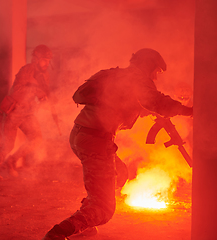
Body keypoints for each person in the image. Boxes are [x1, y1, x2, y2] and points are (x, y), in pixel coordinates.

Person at [42, 48, 193, 240]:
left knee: (120, 173)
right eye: (156, 72)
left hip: (81, 134)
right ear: (147, 66)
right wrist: (188, 111)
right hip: (96, 141)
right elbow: (155, 101)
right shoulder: (137, 79)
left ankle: (85, 221)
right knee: (103, 208)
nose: (155, 78)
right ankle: (59, 233)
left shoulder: (115, 75)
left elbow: (121, 103)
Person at [0, 44, 57, 181]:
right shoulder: (26, 70)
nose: (46, 63)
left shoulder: (45, 75)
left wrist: (46, 101)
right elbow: (18, 91)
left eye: (48, 60)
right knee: (8, 144)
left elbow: (43, 93)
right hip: (14, 111)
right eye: (44, 60)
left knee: (36, 139)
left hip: (28, 112)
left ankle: (12, 161)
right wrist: (37, 90)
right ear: (36, 59)